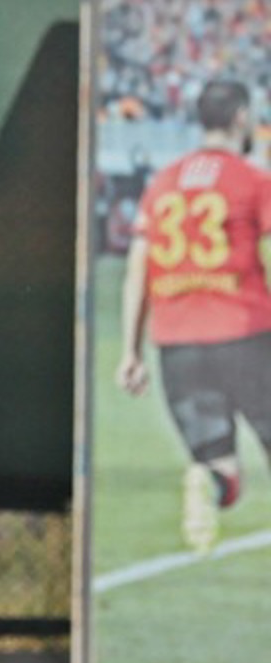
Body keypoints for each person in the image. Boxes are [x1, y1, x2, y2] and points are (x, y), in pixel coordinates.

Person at [118, 78, 271, 553]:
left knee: (221, 467)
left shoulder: (163, 183)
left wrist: (130, 352)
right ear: (241, 117)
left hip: (177, 346)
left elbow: (138, 268)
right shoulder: (253, 181)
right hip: (245, 335)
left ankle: (210, 480)